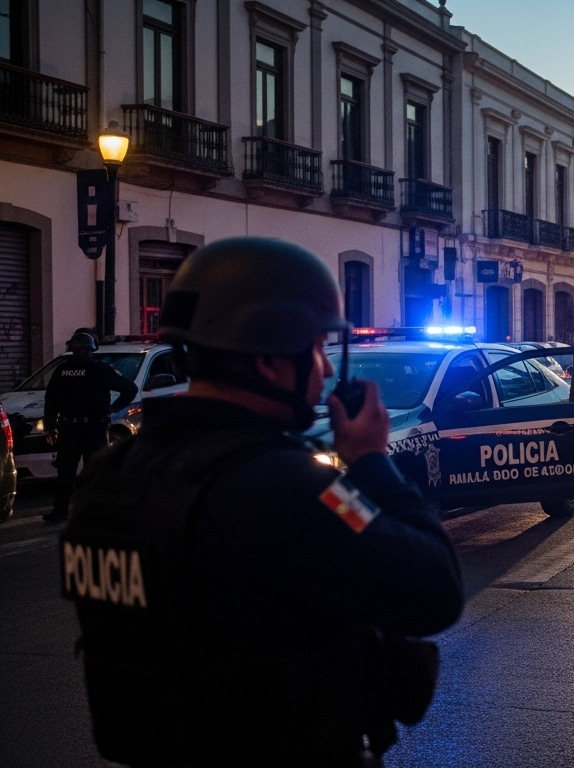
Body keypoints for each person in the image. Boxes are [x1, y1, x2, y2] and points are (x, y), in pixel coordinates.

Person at [60, 237, 465, 766]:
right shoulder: (287, 485)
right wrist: (370, 462)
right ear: (272, 360)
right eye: (318, 349)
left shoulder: (109, 480)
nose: (323, 371)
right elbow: (433, 587)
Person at [41, 330, 138, 523]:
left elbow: (50, 400)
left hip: (72, 428)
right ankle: (92, 513)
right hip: (90, 429)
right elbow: (130, 389)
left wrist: (50, 426)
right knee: (90, 473)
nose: (83, 353)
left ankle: (61, 511)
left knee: (68, 473)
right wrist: (114, 408)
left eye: (83, 350)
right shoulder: (101, 369)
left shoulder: (63, 370)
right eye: (81, 350)